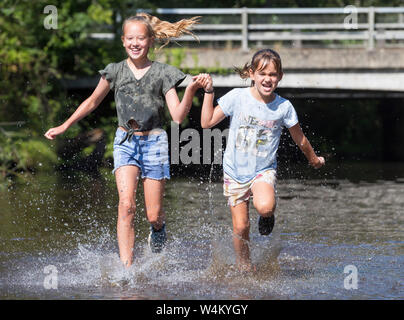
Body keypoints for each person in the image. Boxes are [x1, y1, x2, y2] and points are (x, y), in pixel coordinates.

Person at [44, 13, 205, 268]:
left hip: (154, 144)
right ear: (122, 41)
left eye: (141, 38)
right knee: (126, 205)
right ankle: (126, 269)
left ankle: (158, 228)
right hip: (125, 142)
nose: (135, 43)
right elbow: (92, 102)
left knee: (153, 214)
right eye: (130, 38)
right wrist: (65, 125)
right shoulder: (114, 71)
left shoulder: (163, 73)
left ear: (151, 40)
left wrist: (192, 90)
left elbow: (177, 116)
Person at [198, 49, 325, 271]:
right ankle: (244, 266)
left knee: (265, 206)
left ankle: (267, 217)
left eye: (273, 74)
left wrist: (313, 159)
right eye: (262, 73)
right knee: (241, 227)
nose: (268, 79)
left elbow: (300, 138)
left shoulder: (283, 107)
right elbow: (207, 122)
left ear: (280, 77)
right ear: (251, 74)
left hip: (262, 171)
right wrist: (209, 92)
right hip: (234, 172)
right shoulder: (237, 97)